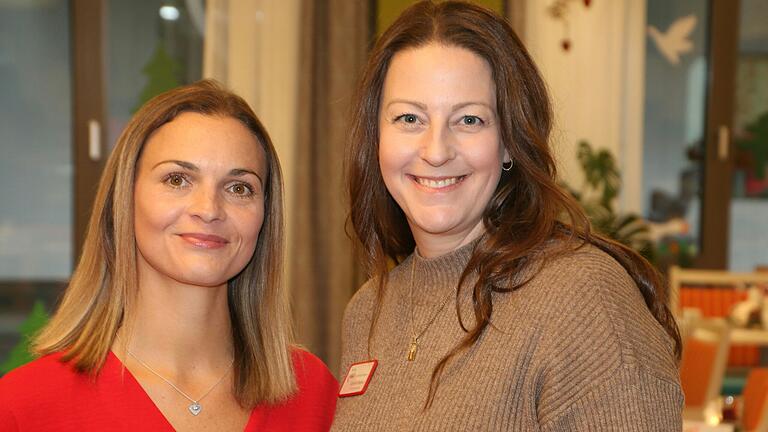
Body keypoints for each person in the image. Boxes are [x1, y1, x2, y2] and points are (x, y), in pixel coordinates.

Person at [333, 1, 683, 431]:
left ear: (509, 143)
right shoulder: (367, 310)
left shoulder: (583, 299)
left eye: (469, 119)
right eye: (409, 118)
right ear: (376, 138)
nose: (436, 150)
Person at [0, 80, 337, 431]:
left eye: (239, 188)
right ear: (124, 200)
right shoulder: (25, 406)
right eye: (177, 180)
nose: (209, 210)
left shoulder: (314, 393)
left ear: (266, 216)